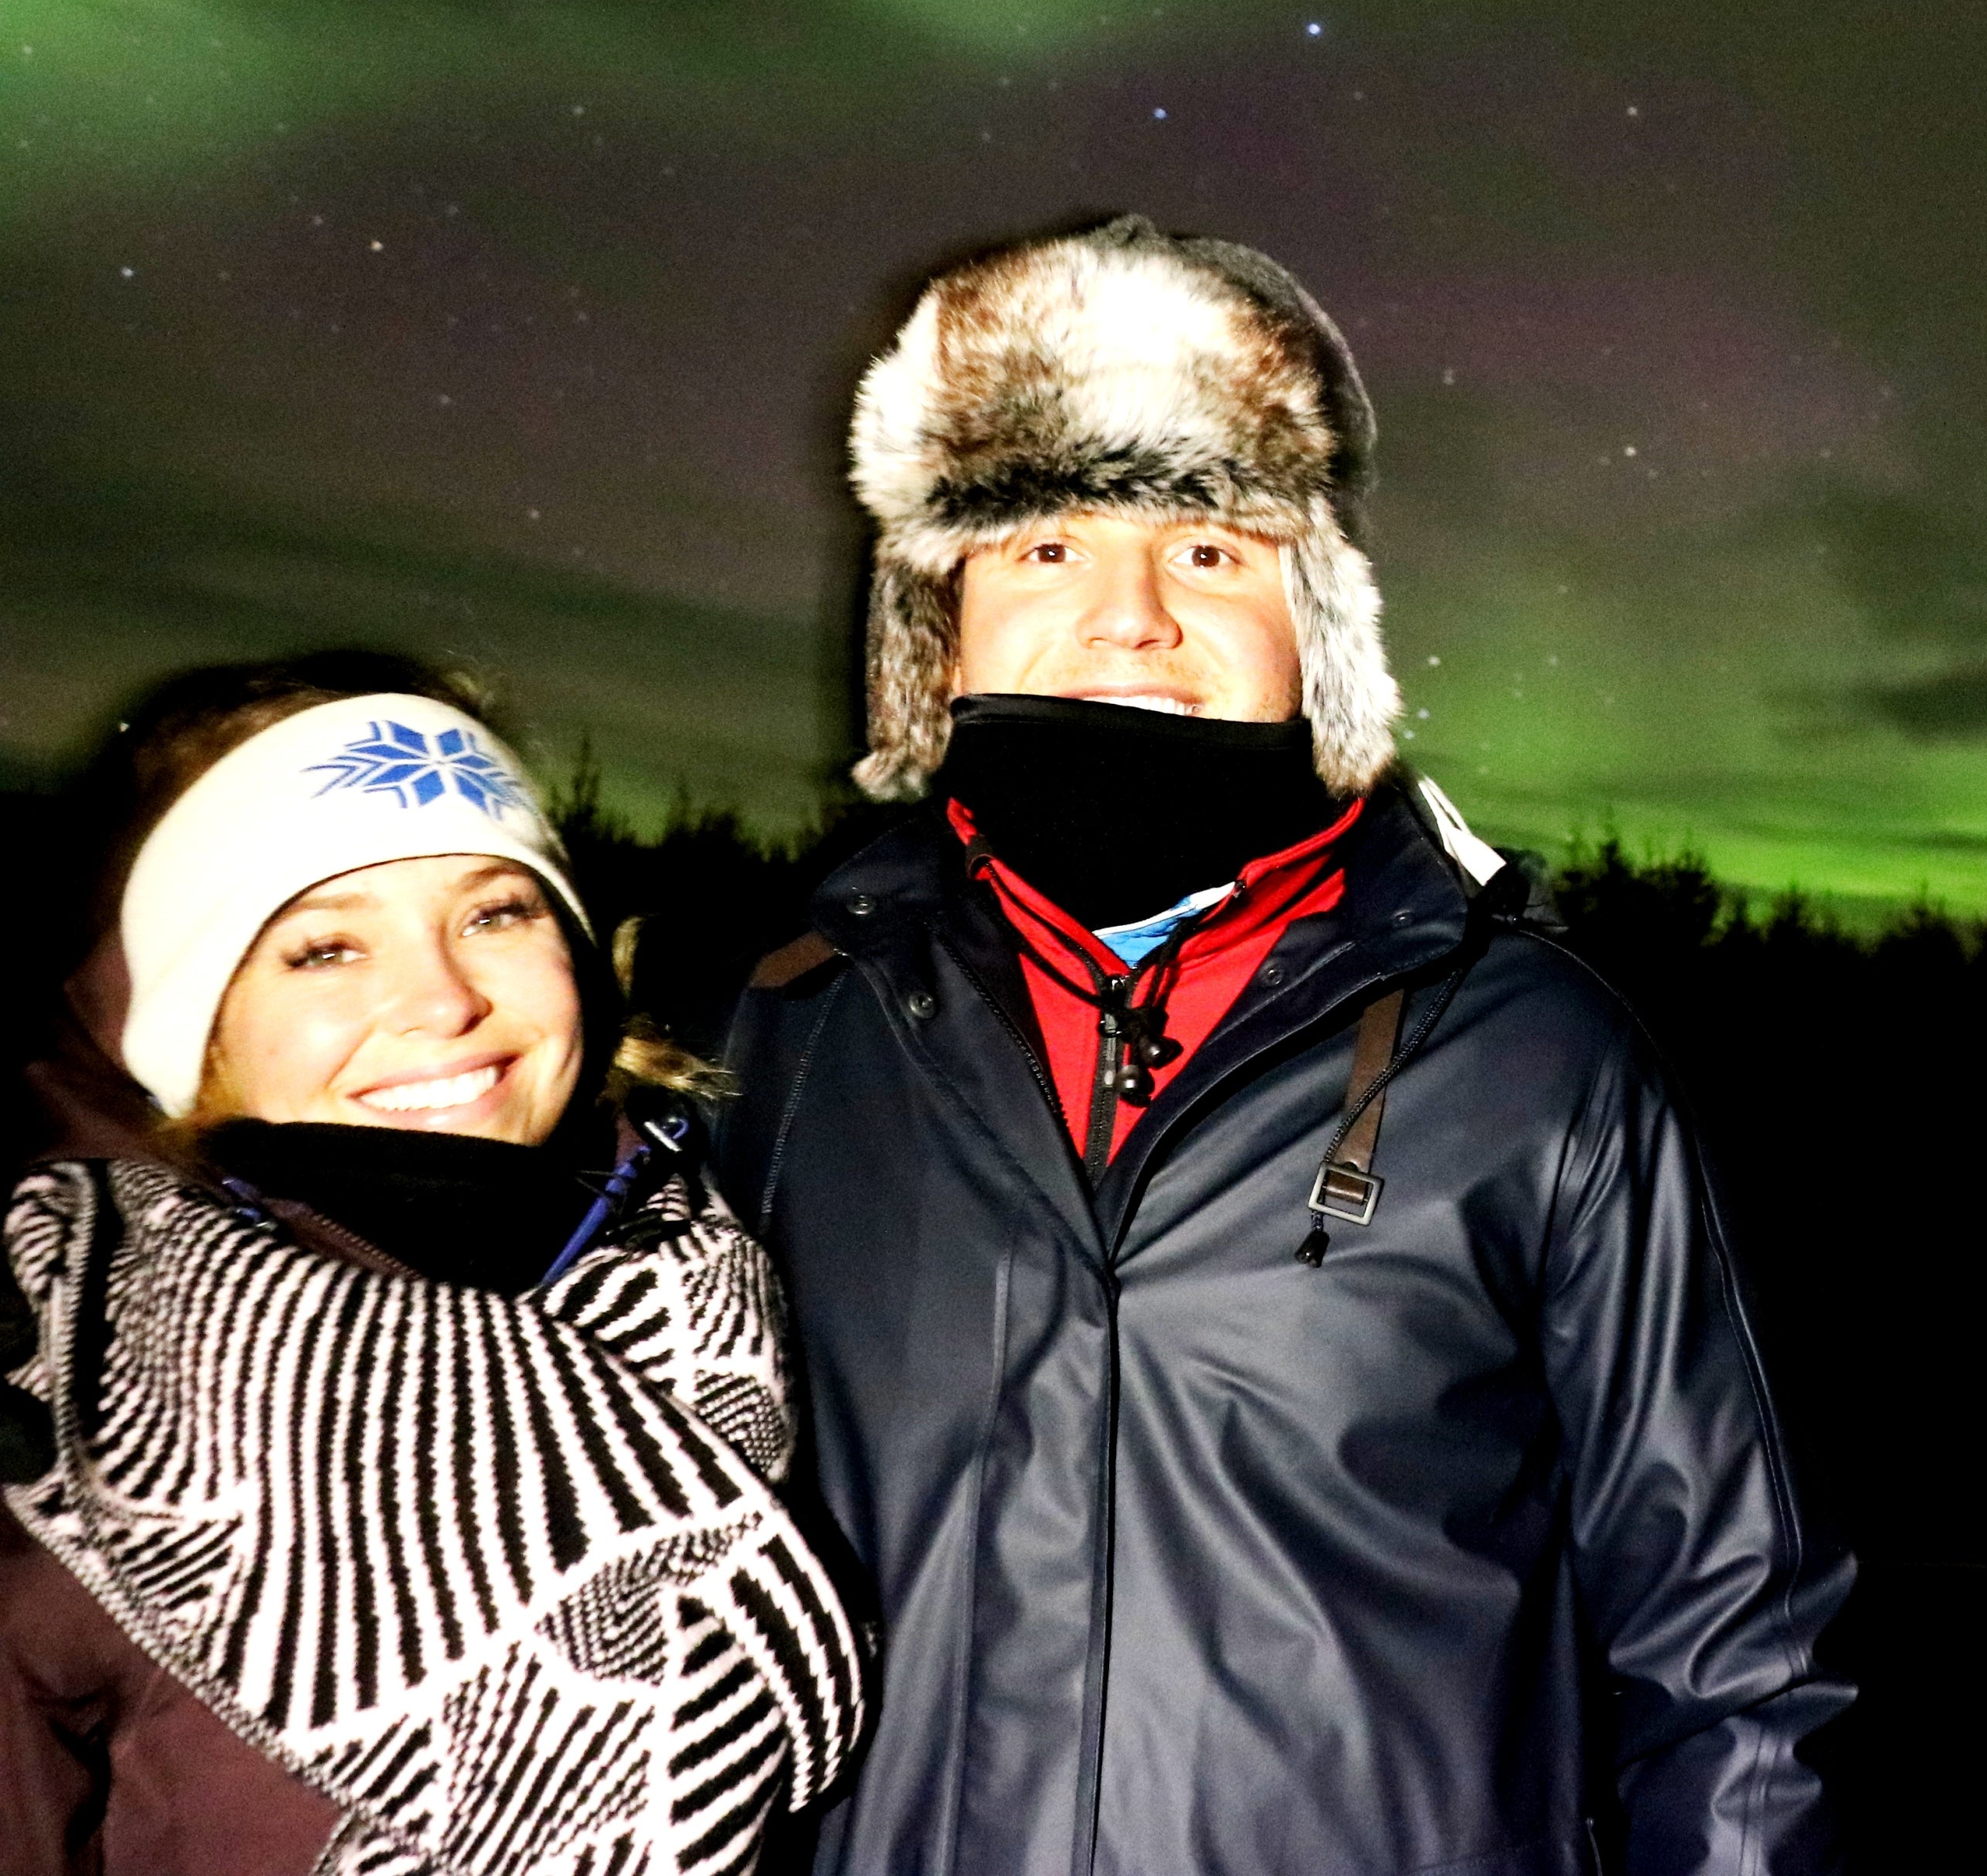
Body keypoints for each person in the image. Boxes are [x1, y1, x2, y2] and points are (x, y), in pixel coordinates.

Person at [712, 215, 1849, 1876]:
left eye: (1212, 548)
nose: (1130, 619)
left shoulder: (1534, 1055)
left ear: (1319, 626)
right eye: (1042, 547)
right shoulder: (794, 1031)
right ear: (932, 627)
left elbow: (1732, 1646)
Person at [0, 654, 868, 1876]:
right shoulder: (65, 1419)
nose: (443, 999)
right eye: (324, 950)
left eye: (494, 913)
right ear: (193, 1019)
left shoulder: (730, 1300)